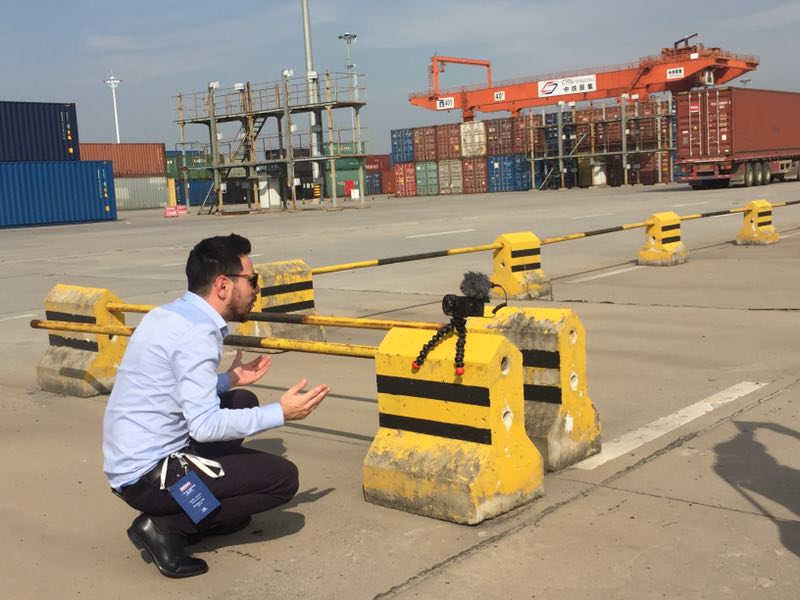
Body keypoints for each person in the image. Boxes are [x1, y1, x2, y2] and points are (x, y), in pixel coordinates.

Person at [103, 233, 330, 578]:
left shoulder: (170, 315)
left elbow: (172, 386)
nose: (257, 290)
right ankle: (166, 526)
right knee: (282, 480)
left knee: (242, 401)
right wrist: (281, 413)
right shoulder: (198, 334)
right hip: (149, 475)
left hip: (131, 458)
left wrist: (229, 380)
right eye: (252, 280)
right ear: (223, 285)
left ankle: (207, 511)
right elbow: (204, 426)